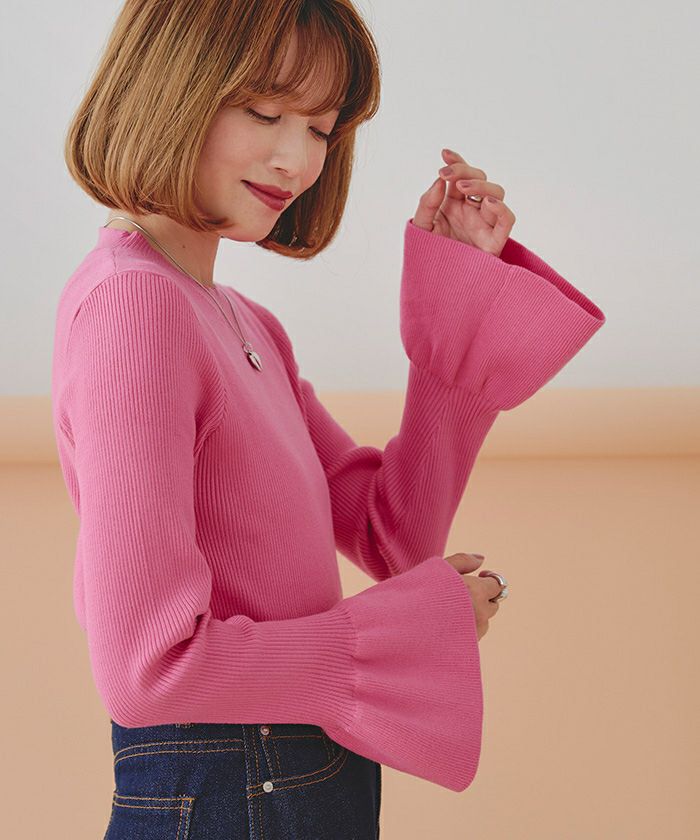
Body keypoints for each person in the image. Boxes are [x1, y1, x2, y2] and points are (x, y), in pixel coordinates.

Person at [53, 1, 606, 838]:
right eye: (263, 111)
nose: (298, 159)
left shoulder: (243, 324)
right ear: (169, 86)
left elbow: (393, 535)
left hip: (290, 783)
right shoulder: (136, 307)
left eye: (321, 127)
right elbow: (148, 669)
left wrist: (456, 300)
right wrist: (411, 632)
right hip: (234, 785)